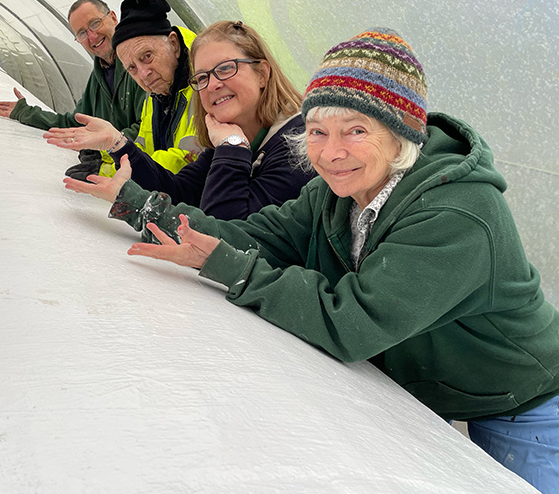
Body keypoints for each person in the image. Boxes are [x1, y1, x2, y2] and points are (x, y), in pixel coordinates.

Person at [114, 28, 559, 492]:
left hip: (524, 403)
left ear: (401, 135)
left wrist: (234, 269)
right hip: (434, 386)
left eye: (356, 130)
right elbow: (257, 236)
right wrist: (137, 204)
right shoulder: (335, 192)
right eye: (317, 132)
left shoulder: (456, 213)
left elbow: (354, 323)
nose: (331, 152)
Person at [59, 20, 315, 221]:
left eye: (226, 68)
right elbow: (179, 192)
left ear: (262, 73)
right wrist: (119, 145)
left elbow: (228, 232)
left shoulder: (299, 147)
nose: (213, 84)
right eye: (202, 77)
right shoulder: (228, 136)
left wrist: (232, 148)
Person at [44, 0, 200, 175]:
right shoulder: (155, 91)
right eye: (131, 68)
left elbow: (190, 161)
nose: (143, 74)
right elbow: (144, 145)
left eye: (147, 56)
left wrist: (108, 163)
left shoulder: (206, 82)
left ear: (173, 44)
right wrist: (106, 159)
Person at [0, 0, 143, 179]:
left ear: (113, 17)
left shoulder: (141, 65)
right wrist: (26, 112)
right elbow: (76, 122)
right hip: (121, 169)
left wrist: (101, 149)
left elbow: (149, 130)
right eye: (82, 34)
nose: (92, 37)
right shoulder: (99, 75)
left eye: (95, 23)